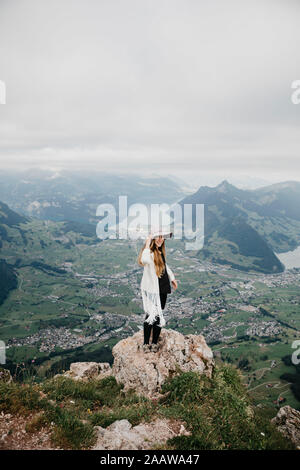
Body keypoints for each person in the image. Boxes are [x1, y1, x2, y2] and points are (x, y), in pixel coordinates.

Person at [137, 231, 178, 353]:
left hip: (163, 288)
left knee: (159, 316)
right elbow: (143, 259)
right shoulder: (149, 253)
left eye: (162, 237)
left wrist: (172, 278)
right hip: (153, 290)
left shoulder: (160, 252)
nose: (161, 239)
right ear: (153, 239)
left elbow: (165, 266)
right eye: (158, 237)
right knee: (150, 315)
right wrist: (148, 241)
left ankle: (154, 343)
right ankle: (146, 343)